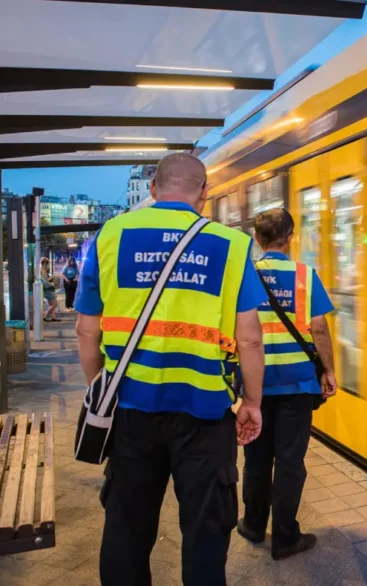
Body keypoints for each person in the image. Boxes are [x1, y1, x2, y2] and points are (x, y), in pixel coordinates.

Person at [74, 153, 268, 586]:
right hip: (205, 413)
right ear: (204, 194)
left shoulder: (110, 235)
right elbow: (251, 337)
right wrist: (252, 402)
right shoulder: (232, 245)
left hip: (130, 411)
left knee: (126, 524)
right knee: (206, 531)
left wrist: (100, 390)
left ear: (153, 190)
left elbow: (87, 332)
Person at [236, 208, 337, 560]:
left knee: (256, 458)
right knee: (290, 462)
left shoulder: (243, 275)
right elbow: (319, 328)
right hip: (297, 386)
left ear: (257, 239)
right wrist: (329, 370)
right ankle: (285, 538)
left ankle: (251, 524)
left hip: (257, 386)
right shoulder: (304, 276)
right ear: (290, 237)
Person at [40, 257, 60, 322]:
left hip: (47, 290)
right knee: (54, 304)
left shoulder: (42, 270)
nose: (49, 266)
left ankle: (53, 317)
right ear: (45, 264)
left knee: (51, 305)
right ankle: (45, 316)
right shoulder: (43, 271)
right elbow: (46, 281)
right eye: (48, 264)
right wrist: (52, 276)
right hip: (48, 290)